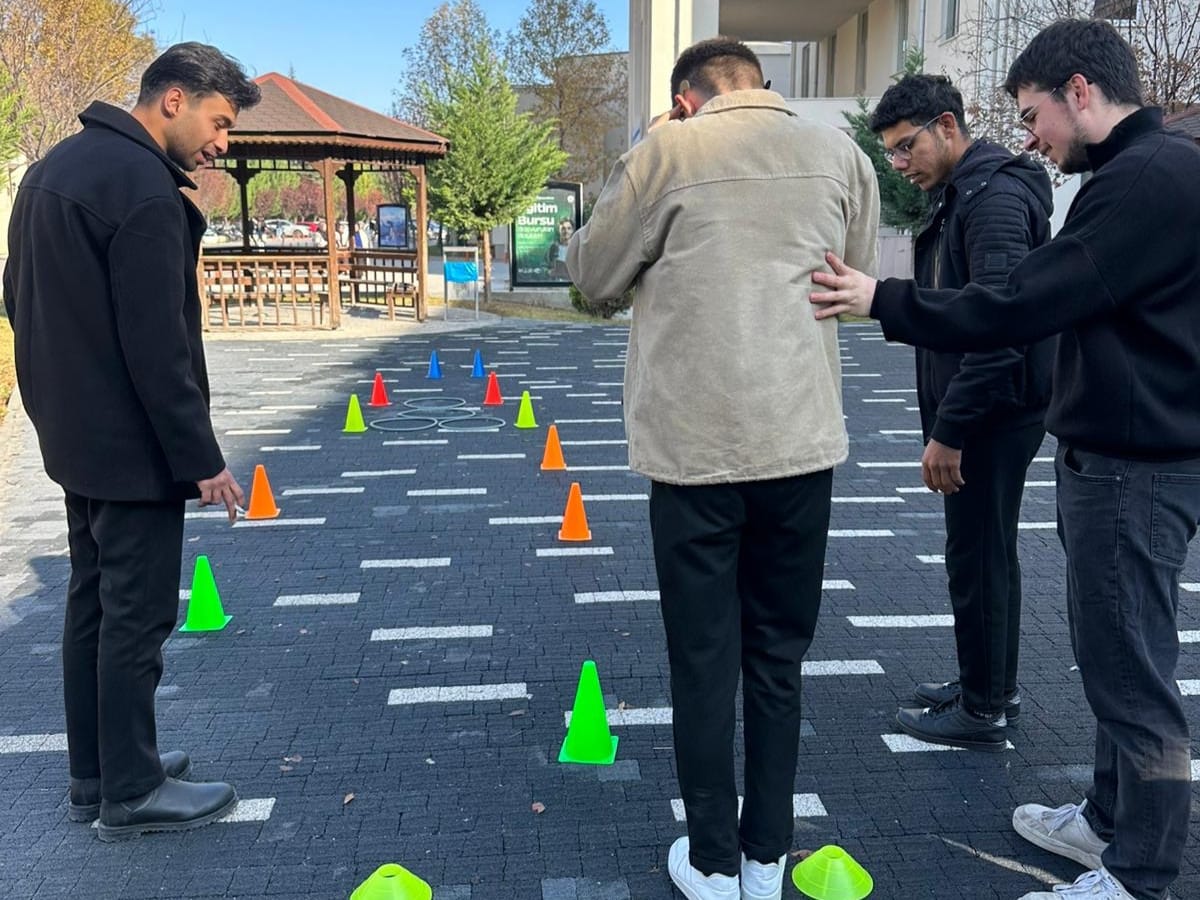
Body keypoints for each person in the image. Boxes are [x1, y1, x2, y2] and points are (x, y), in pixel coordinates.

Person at [810, 19, 1200, 900]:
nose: (1031, 137)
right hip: (1127, 453)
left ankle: (1137, 874)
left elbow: (1019, 301)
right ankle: (1107, 823)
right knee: (1114, 655)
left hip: (1133, 466)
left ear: (1078, 91)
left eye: (1033, 115)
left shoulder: (1142, 178)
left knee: (1131, 671)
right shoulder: (1149, 170)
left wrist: (882, 299)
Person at [568, 37, 879, 900]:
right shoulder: (840, 153)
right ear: (759, 84)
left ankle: (710, 860)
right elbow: (853, 276)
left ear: (685, 98)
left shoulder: (668, 152)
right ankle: (766, 855)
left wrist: (646, 155)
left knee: (703, 661)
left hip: (695, 451)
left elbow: (592, 274)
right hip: (800, 441)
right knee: (778, 657)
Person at [3, 42, 260, 841]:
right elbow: (159, 349)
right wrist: (202, 460)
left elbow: (15, 297)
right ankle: (133, 791)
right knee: (137, 617)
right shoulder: (145, 191)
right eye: (219, 122)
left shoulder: (54, 168)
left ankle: (99, 772)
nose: (222, 143)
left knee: (92, 604)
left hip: (73, 437)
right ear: (174, 100)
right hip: (132, 448)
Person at [868, 75, 1055, 751]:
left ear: (947, 125)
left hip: (992, 412)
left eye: (906, 146)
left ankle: (982, 710)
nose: (899, 163)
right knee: (986, 553)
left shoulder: (992, 199)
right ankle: (990, 687)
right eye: (890, 152)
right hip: (994, 407)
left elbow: (1000, 329)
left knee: (976, 557)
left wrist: (951, 431)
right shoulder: (966, 192)